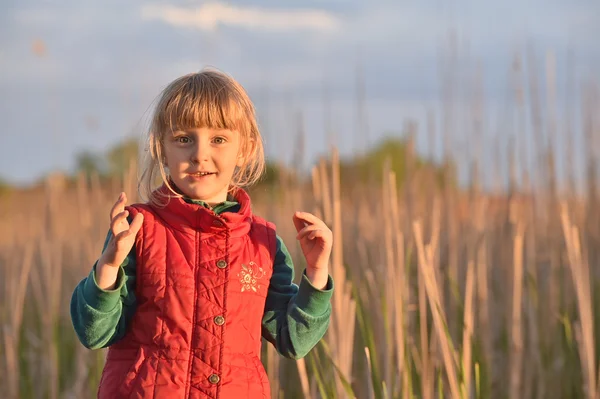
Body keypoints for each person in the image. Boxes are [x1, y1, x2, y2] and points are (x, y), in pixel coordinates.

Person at [70, 68, 334, 398]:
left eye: (219, 139)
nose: (199, 154)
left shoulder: (262, 243)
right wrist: (107, 270)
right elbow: (94, 334)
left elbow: (293, 340)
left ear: (245, 149)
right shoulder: (137, 229)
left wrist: (317, 272)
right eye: (183, 139)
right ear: (161, 149)